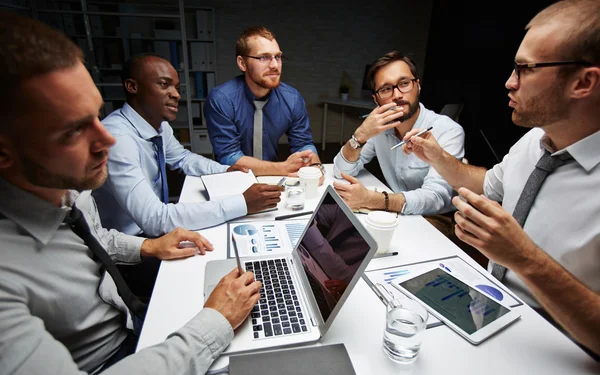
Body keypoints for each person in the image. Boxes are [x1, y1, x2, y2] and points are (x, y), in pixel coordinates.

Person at [0, 11, 261, 375]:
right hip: (107, 367)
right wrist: (215, 320)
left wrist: (147, 247)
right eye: (74, 130)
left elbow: (95, 238)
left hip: (130, 319)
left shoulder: (67, 189)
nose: (107, 138)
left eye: (96, 115)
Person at [402, 0, 599, 357]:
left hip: (565, 358)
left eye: (525, 69)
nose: (509, 83)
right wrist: (437, 156)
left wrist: (525, 258)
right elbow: (489, 185)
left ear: (584, 82)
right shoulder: (534, 140)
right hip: (493, 315)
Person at [92, 53, 283, 238]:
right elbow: (154, 219)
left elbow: (182, 158)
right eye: (164, 85)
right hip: (132, 244)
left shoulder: (158, 125)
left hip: (153, 229)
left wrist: (224, 170)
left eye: (177, 87)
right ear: (132, 86)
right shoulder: (118, 139)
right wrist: (242, 203)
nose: (176, 95)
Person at [332, 51, 464, 233]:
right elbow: (341, 171)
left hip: (433, 218)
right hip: (392, 211)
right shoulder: (380, 127)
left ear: (417, 86)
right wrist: (360, 135)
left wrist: (373, 200)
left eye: (404, 84)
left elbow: (435, 197)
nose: (397, 95)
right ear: (376, 99)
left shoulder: (447, 130)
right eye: (386, 89)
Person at [204, 26, 324, 179]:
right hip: (232, 178)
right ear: (242, 63)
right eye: (263, 57)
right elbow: (229, 157)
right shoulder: (221, 99)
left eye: (278, 57)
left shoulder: (292, 99)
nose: (274, 65)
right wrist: (283, 168)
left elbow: (303, 144)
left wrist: (314, 166)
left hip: (273, 176)